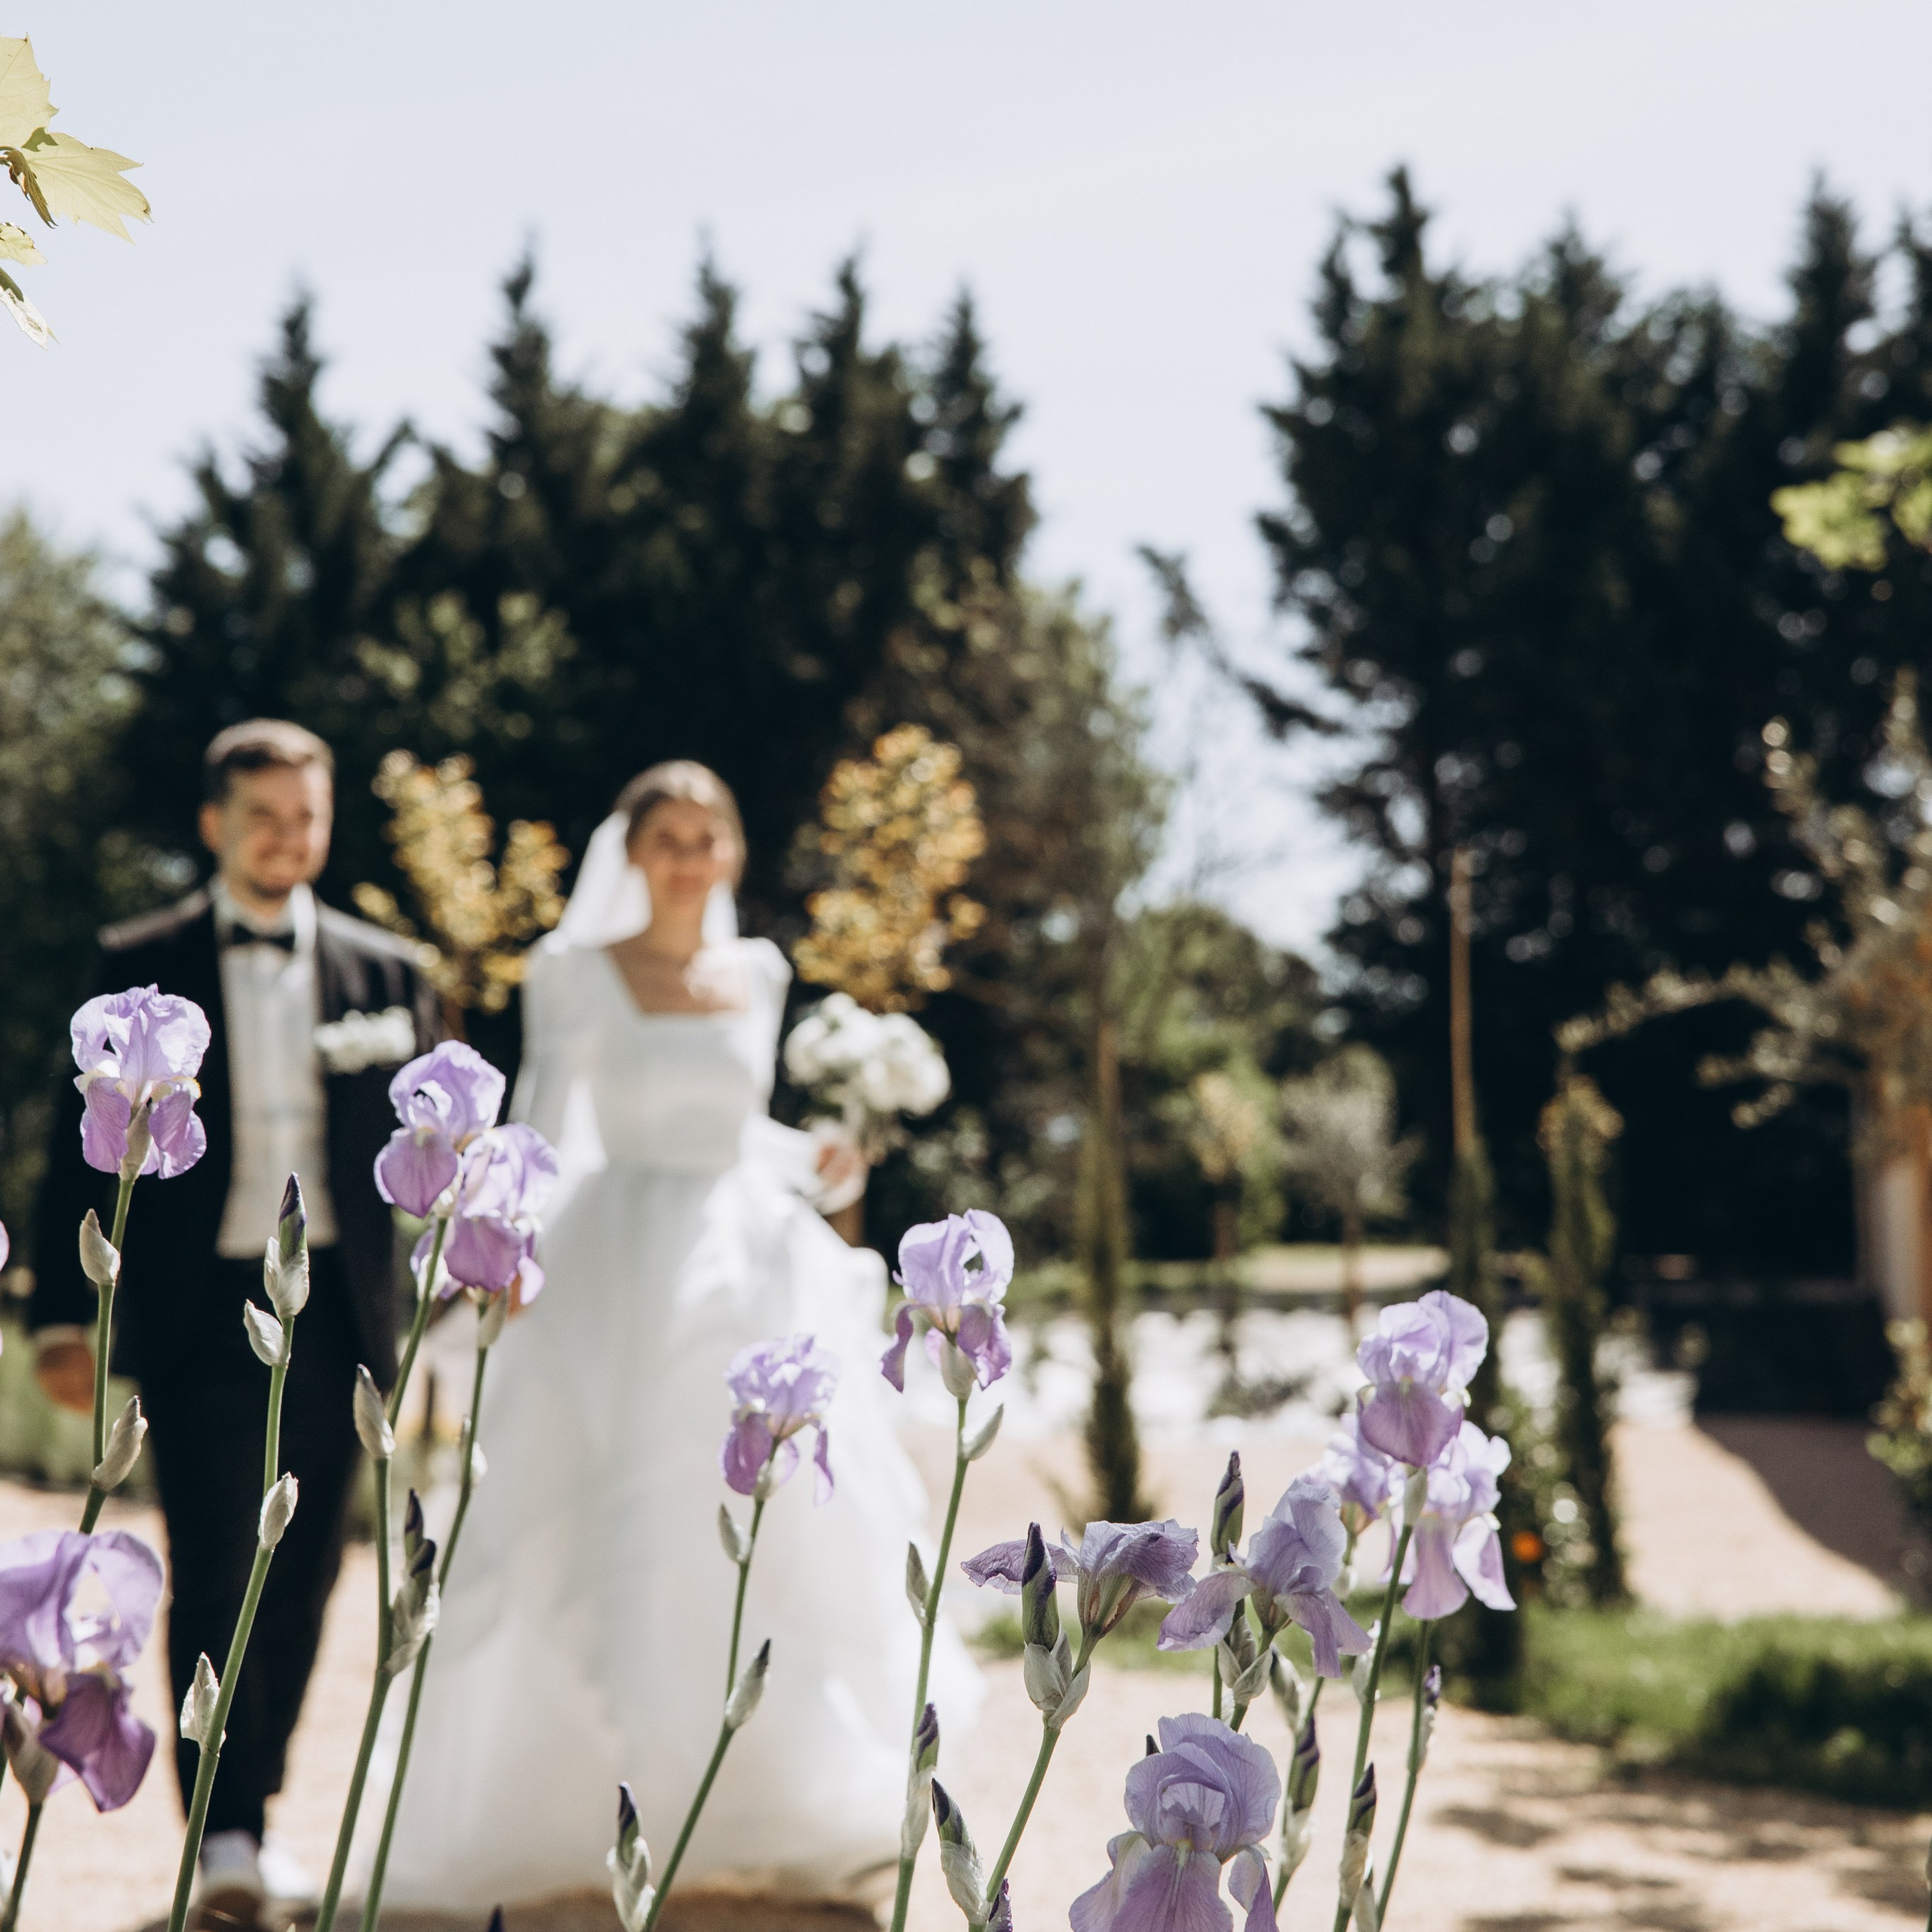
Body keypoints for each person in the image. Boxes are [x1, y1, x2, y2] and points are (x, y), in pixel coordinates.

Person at [372, 761, 978, 1914]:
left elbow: (739, 1129)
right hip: (618, 1257)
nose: (690, 859)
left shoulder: (761, 972)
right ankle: (602, 1795)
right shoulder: (573, 970)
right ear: (633, 852)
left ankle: (777, 1798)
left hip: (751, 1258)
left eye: (708, 838)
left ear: (732, 852)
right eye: (669, 839)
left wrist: (817, 1157)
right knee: (615, 1510)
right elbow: (549, 1117)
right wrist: (511, 1250)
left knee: (778, 1514)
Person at [30, 720, 441, 1931]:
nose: (287, 838)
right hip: (198, 1304)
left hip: (342, 1310)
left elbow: (431, 1159)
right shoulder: (137, 962)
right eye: (264, 816)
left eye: (307, 816)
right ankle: (222, 1838)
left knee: (308, 1572)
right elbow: (74, 1147)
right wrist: (61, 1317)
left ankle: (256, 1810)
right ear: (214, 823)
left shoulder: (388, 972)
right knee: (216, 1558)